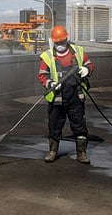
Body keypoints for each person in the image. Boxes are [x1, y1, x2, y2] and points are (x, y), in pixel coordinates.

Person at [37, 25, 94, 164]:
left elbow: (89, 65)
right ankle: (52, 151)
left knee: (79, 125)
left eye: (62, 41)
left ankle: (81, 153)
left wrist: (86, 70)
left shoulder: (78, 52)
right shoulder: (48, 56)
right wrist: (50, 83)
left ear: (67, 39)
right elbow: (42, 75)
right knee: (55, 125)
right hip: (57, 97)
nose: (60, 45)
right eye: (57, 42)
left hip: (75, 95)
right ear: (53, 42)